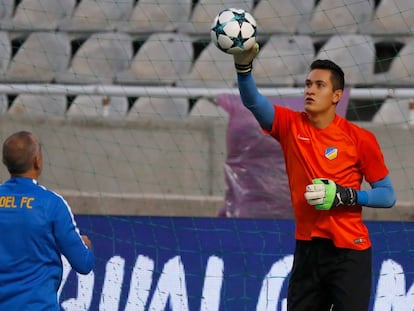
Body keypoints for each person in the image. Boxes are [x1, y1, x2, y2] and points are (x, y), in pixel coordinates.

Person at [233, 46, 396, 310]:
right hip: (308, 250)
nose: (310, 90)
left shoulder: (360, 139)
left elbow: (388, 195)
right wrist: (243, 69)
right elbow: (253, 101)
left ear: (336, 96)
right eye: (308, 84)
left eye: (319, 85)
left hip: (350, 252)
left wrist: (345, 195)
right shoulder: (290, 125)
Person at [0, 131, 95, 310]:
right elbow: (83, 263)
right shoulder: (52, 205)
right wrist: (86, 246)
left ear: (5, 162)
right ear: (37, 161)